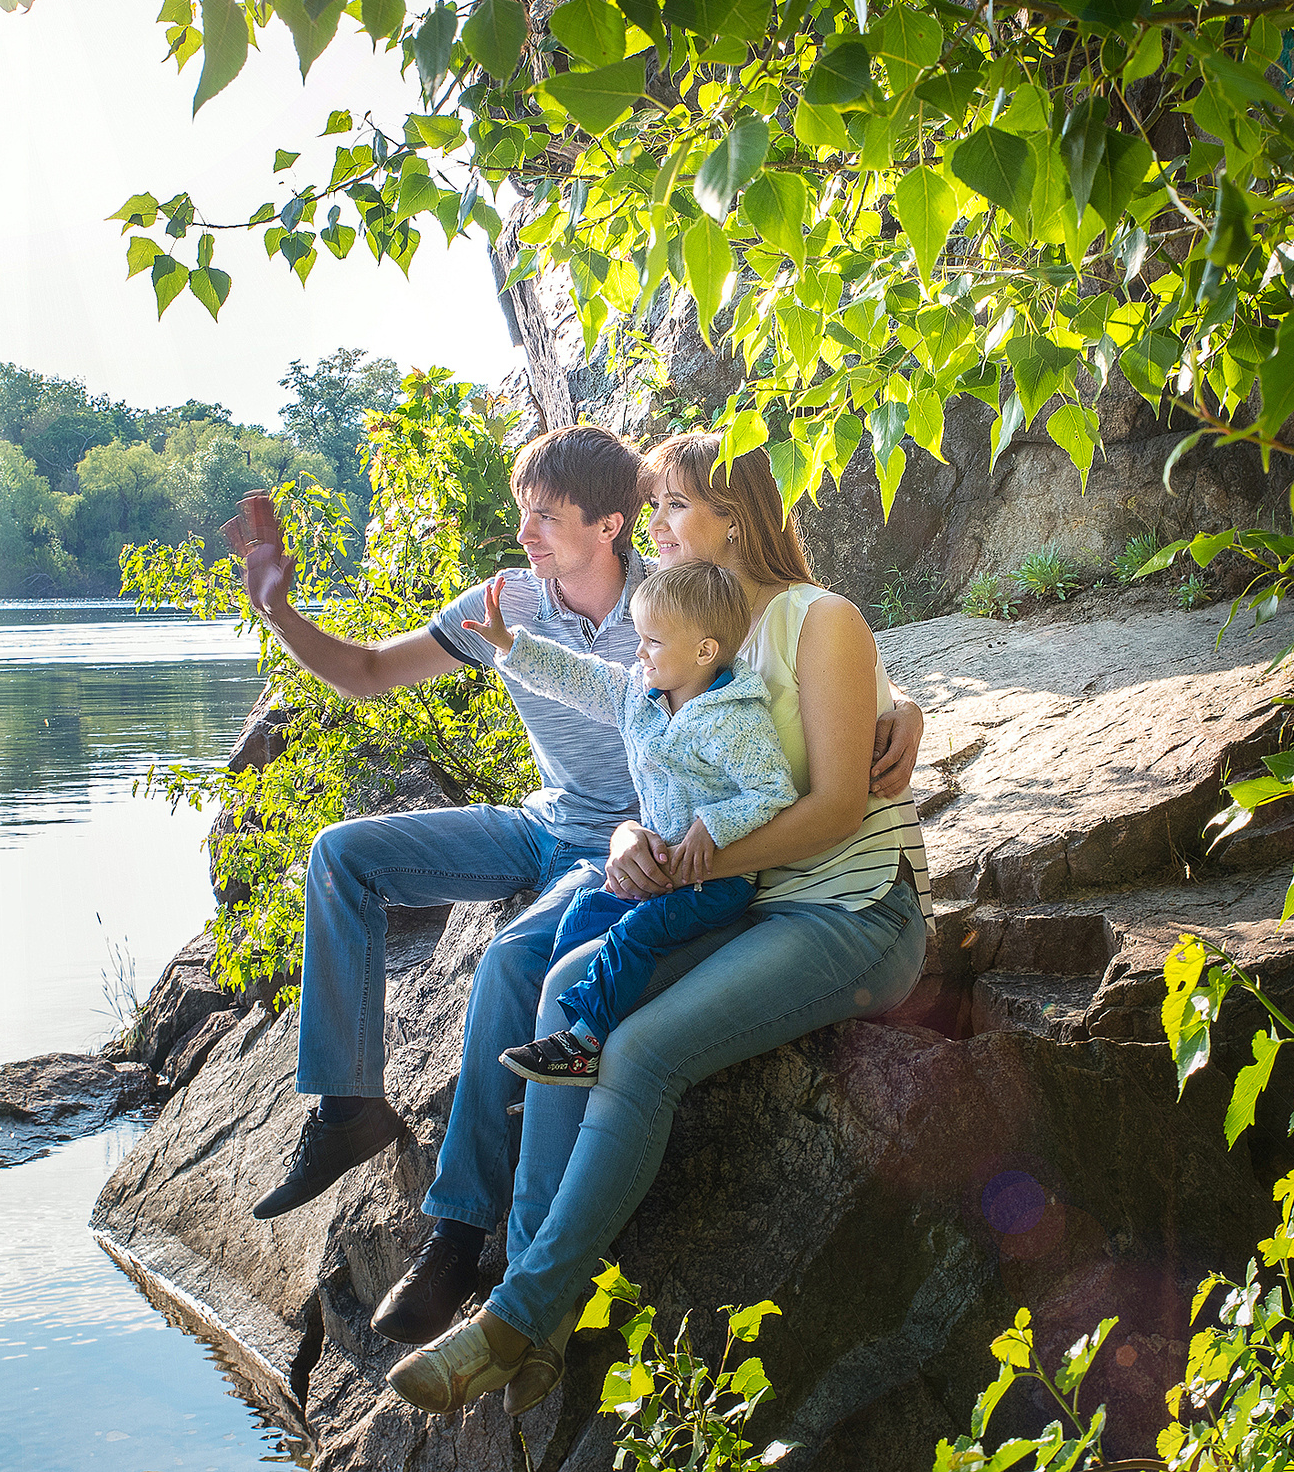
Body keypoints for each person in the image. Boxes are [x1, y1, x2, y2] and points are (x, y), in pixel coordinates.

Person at [389, 432, 932, 1417]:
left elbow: (837, 809)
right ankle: (534, 1274)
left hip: (849, 912)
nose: (653, 525)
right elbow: (670, 767)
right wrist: (637, 833)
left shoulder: (819, 620)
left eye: (673, 504)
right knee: (563, 991)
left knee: (638, 1054)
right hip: (746, 899)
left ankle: (513, 1320)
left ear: (733, 514)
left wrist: (685, 859)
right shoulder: (684, 630)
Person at [224, 424, 655, 1348]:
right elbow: (373, 673)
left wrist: (890, 706)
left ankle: (457, 1234)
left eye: (548, 515)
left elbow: (788, 643)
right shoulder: (506, 603)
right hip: (542, 822)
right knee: (342, 852)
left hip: (619, 846)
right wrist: (279, 611)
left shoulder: (672, 603)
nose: (526, 531)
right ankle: (349, 1106)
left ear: (612, 524)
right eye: (521, 510)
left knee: (509, 959)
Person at [453, 559, 794, 1086]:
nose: (638, 652)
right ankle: (562, 1034)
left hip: (718, 883)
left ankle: (587, 1044)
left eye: (652, 642)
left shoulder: (734, 718)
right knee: (584, 913)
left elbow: (773, 790)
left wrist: (713, 823)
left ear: (705, 651)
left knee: (635, 933)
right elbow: (579, 677)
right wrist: (510, 645)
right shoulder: (641, 692)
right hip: (663, 870)